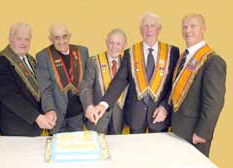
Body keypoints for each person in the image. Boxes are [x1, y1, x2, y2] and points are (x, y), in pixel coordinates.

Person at [96, 12, 179, 134]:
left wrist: (165, 107)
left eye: (152, 26)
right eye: (145, 26)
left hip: (160, 115)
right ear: (140, 30)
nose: (149, 30)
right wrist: (104, 104)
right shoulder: (131, 53)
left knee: (158, 152)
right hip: (136, 117)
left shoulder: (172, 52)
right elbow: (119, 81)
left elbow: (174, 85)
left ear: (159, 29)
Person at [169, 14, 226, 157]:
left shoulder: (213, 61)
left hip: (195, 134)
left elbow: (214, 102)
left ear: (203, 29)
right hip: (177, 130)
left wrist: (202, 133)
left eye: (193, 26)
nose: (188, 30)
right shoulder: (183, 57)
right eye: (184, 27)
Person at [0, 23, 52, 137]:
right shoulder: (1, 63)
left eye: (27, 39)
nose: (24, 43)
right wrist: (36, 117)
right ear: (10, 39)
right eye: (19, 38)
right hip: (15, 129)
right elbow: (10, 97)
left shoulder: (31, 59)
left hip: (35, 127)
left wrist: (49, 111)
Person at [36, 24, 89, 133]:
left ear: (69, 36)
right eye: (57, 37)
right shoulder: (43, 56)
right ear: (51, 39)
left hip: (78, 116)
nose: (61, 41)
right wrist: (49, 110)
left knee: (78, 148)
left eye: (64, 36)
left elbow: (87, 84)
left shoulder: (82, 52)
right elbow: (45, 89)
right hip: (56, 116)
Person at [79, 29, 128, 134]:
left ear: (124, 45)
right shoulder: (94, 62)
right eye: (111, 43)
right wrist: (88, 106)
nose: (114, 47)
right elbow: (86, 87)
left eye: (118, 43)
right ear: (106, 42)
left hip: (119, 119)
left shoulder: (128, 63)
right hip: (97, 118)